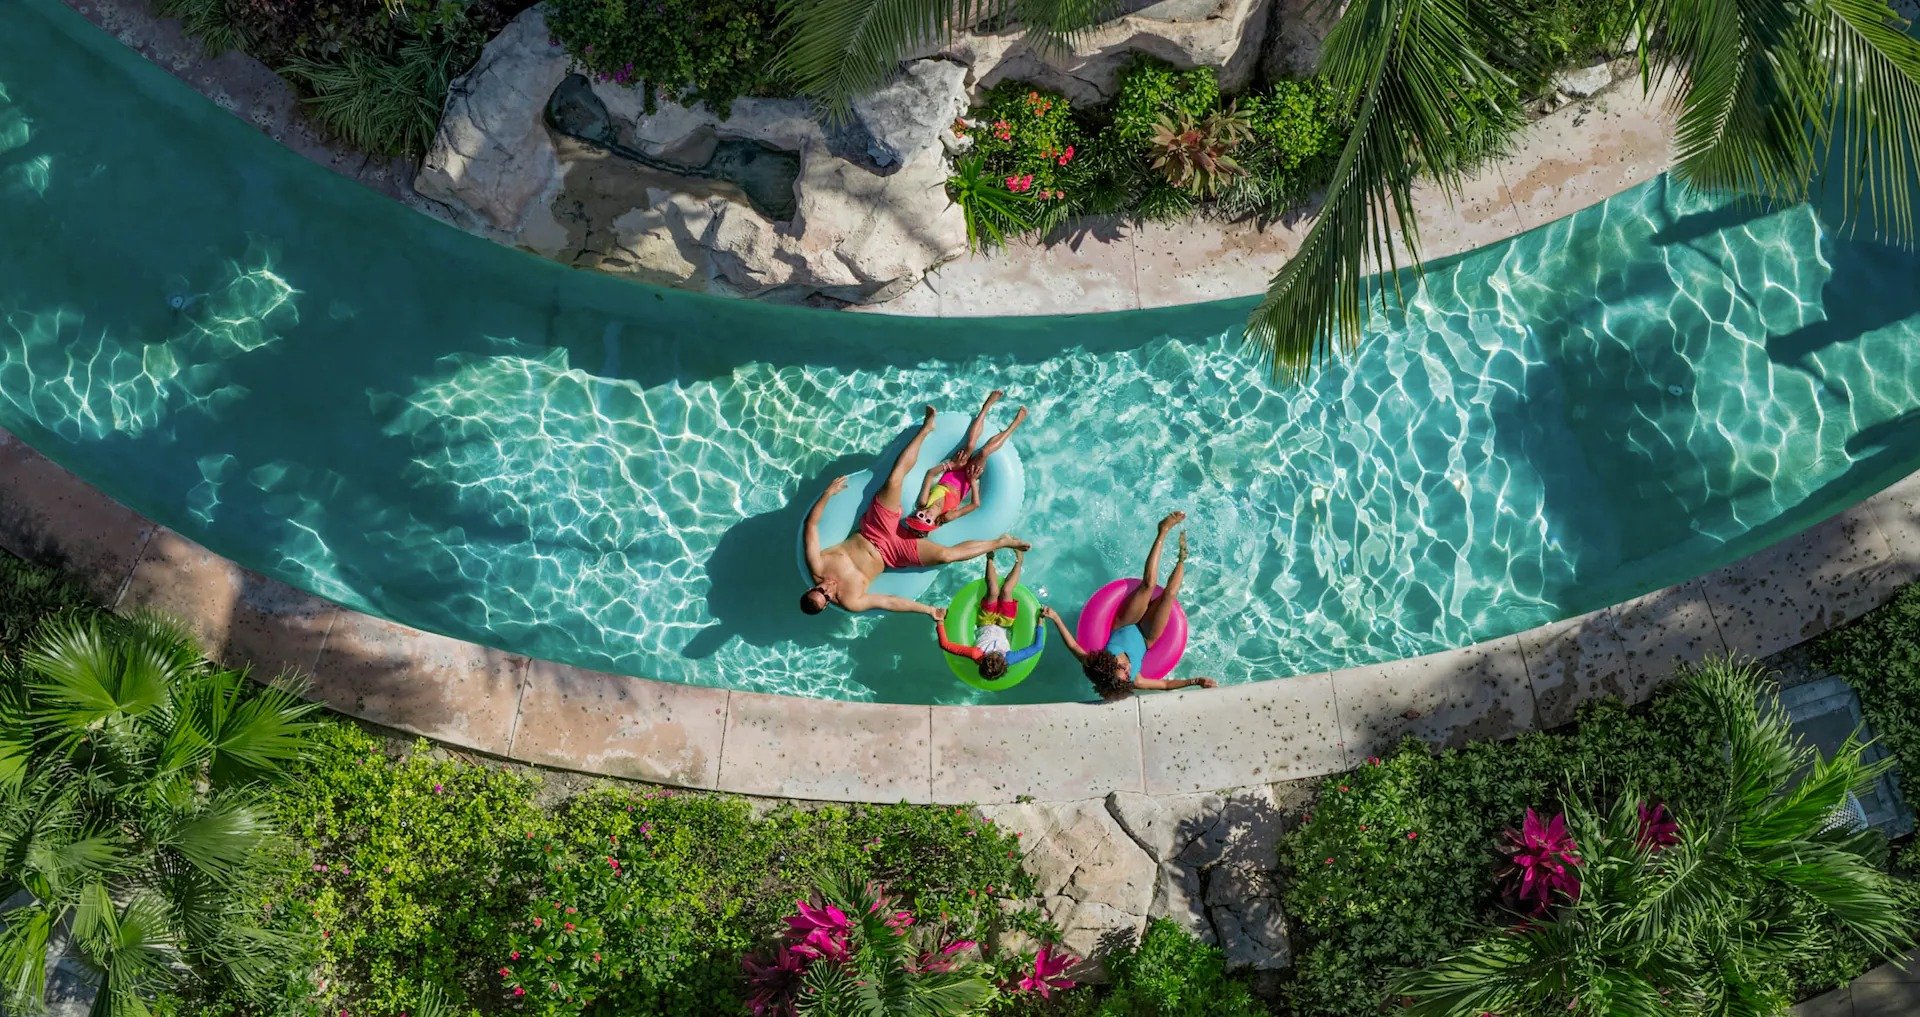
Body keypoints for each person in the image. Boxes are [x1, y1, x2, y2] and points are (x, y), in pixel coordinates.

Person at [801, 405, 1030, 617]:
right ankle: (1002, 542)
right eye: (827, 597)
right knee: (945, 556)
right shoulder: (850, 600)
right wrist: (928, 610)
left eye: (821, 590)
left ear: (813, 587)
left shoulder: (818, 565)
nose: (828, 589)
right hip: (893, 553)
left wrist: (828, 493)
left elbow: (811, 525)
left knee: (893, 481)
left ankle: (926, 429)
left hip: (874, 528)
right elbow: (889, 602)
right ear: (829, 603)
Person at [1044, 511, 1219, 699]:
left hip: (1125, 623)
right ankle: (1182, 557)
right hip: (1146, 637)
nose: (1127, 669)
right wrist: (1196, 681)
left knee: (1149, 584)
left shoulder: (1097, 661)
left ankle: (1163, 530)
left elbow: (1073, 647)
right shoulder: (1135, 679)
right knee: (1169, 595)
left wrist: (1055, 618)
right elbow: (1166, 684)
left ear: (1110, 667)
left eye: (1121, 668)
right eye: (1127, 674)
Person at [903, 389, 1027, 537]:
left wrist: (951, 465)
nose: (926, 515)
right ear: (934, 523)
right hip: (968, 479)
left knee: (969, 445)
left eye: (921, 516)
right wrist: (973, 481)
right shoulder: (947, 516)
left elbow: (930, 474)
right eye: (928, 520)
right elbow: (975, 505)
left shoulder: (923, 502)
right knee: (984, 452)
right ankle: (1014, 425)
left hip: (953, 469)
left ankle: (986, 407)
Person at [935, 549, 1045, 681]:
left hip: (985, 621)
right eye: (997, 655)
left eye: (990, 655)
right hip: (1005, 623)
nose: (995, 653)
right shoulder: (1008, 658)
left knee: (993, 590)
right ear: (1003, 662)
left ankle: (990, 558)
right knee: (1006, 590)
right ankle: (1019, 561)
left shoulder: (976, 654)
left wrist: (940, 621)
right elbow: (1037, 647)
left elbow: (945, 645)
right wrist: (1040, 622)